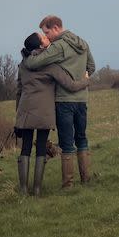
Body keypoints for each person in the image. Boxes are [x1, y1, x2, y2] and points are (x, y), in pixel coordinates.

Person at [22, 15, 95, 188]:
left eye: (46, 32)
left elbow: (34, 63)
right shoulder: (82, 43)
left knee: (67, 142)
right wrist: (83, 77)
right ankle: (86, 180)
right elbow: (91, 67)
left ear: (55, 28)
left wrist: (26, 56)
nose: (46, 36)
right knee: (82, 139)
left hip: (64, 100)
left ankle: (68, 184)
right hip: (82, 99)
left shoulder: (58, 46)